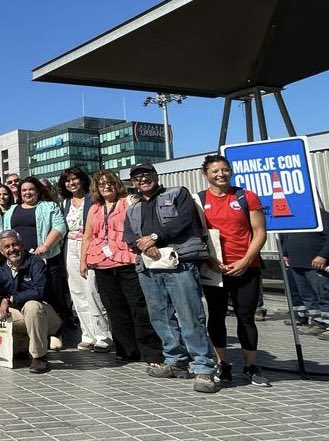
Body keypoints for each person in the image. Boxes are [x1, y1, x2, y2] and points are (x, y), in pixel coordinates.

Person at [123, 162, 219, 394]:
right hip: (149, 265)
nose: (142, 179)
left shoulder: (177, 193)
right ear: (133, 183)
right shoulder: (133, 207)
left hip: (179, 262)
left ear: (155, 175)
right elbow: (128, 235)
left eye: (146, 174)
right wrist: (145, 247)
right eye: (137, 177)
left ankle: (204, 368)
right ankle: (175, 360)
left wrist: (155, 237)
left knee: (189, 314)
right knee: (160, 315)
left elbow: (185, 220)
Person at [197, 155, 270, 386]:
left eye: (225, 170)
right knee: (216, 317)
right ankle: (224, 364)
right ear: (206, 174)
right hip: (214, 268)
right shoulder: (198, 200)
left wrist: (246, 260)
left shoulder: (246, 197)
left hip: (246, 267)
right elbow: (197, 235)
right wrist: (209, 260)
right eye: (215, 171)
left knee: (246, 316)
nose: (221, 174)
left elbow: (259, 232)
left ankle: (250, 366)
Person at [80, 170, 162, 365]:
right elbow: (88, 236)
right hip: (101, 263)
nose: (106, 187)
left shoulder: (128, 201)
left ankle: (150, 352)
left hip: (127, 261)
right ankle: (125, 350)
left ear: (116, 184)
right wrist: (83, 261)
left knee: (138, 307)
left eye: (109, 183)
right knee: (114, 309)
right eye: (101, 184)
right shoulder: (94, 208)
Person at [3, 176, 67, 350]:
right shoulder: (11, 210)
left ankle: (55, 332)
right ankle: (34, 333)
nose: (27, 193)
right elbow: (5, 234)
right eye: (24, 190)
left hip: (46, 260)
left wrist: (46, 245)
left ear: (38, 191)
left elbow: (60, 227)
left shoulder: (49, 206)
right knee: (27, 299)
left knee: (51, 296)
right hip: (19, 263)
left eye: (31, 189)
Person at [0, 230, 63, 373]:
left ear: (21, 245)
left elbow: (39, 291)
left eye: (14, 244)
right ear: (1, 251)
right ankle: (23, 345)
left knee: (32, 306)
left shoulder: (35, 262)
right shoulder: (0, 269)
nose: (12, 249)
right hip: (20, 314)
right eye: (7, 247)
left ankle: (39, 357)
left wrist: (10, 299)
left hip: (45, 314)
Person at [58, 167, 111, 353]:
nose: (71, 183)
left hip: (89, 245)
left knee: (93, 291)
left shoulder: (92, 199)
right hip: (70, 247)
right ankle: (87, 334)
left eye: (75, 179)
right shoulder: (64, 203)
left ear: (82, 180)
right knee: (77, 292)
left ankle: (103, 335)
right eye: (68, 181)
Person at [280, 208, 329, 340]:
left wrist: (323, 256)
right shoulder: (293, 217)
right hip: (297, 264)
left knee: (326, 295)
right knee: (308, 296)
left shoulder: (322, 216)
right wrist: (285, 253)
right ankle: (318, 323)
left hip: (317, 265)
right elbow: (286, 236)